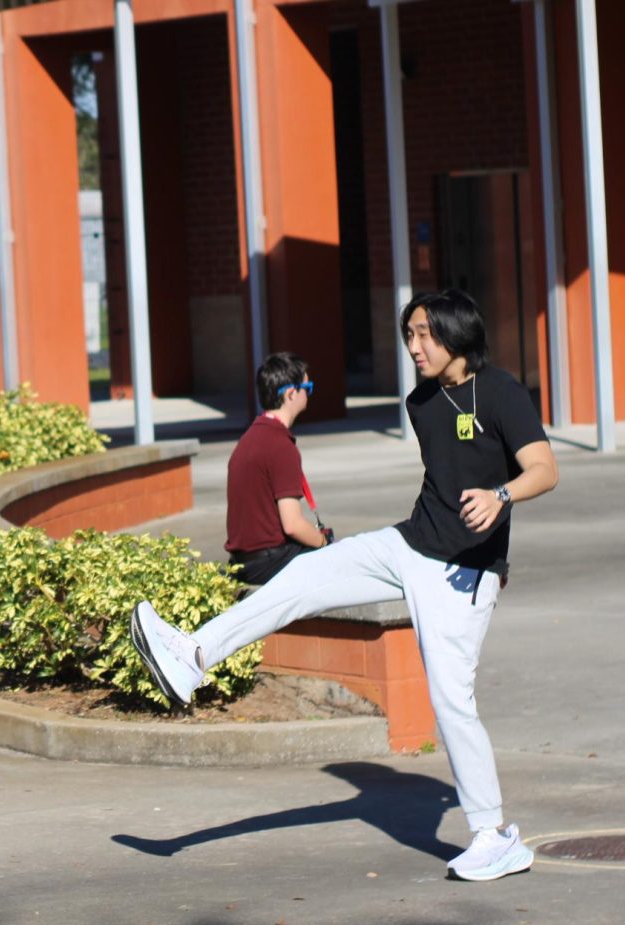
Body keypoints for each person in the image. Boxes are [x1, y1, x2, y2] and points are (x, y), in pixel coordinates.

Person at [130, 289, 559, 882]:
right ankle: (193, 654)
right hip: (410, 543)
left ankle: (493, 836)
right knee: (303, 572)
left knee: (451, 700)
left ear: (456, 334)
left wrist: (501, 498)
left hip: (464, 573)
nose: (412, 347)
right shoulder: (422, 401)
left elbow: (544, 468)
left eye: (423, 335)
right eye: (408, 335)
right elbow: (444, 479)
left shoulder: (503, 393)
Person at [224, 352, 330, 586]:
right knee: (345, 560)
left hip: (243, 561)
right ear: (291, 393)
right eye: (307, 387)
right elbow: (292, 525)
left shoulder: (249, 439)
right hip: (269, 562)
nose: (308, 394)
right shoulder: (281, 447)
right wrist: (324, 543)